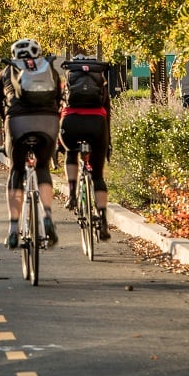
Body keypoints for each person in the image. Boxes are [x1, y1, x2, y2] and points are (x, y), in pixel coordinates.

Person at [0, 38, 62, 249]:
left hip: (17, 124)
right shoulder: (49, 70)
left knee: (16, 169)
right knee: (42, 167)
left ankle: (13, 229)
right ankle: (48, 217)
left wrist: (6, 121)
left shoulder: (6, 72)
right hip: (48, 123)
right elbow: (59, 98)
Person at [59, 55, 114, 240]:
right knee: (97, 175)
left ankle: (72, 194)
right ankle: (103, 221)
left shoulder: (66, 83)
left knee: (70, 151)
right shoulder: (102, 86)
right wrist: (108, 143)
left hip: (71, 124)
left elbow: (58, 108)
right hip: (97, 125)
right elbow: (107, 115)